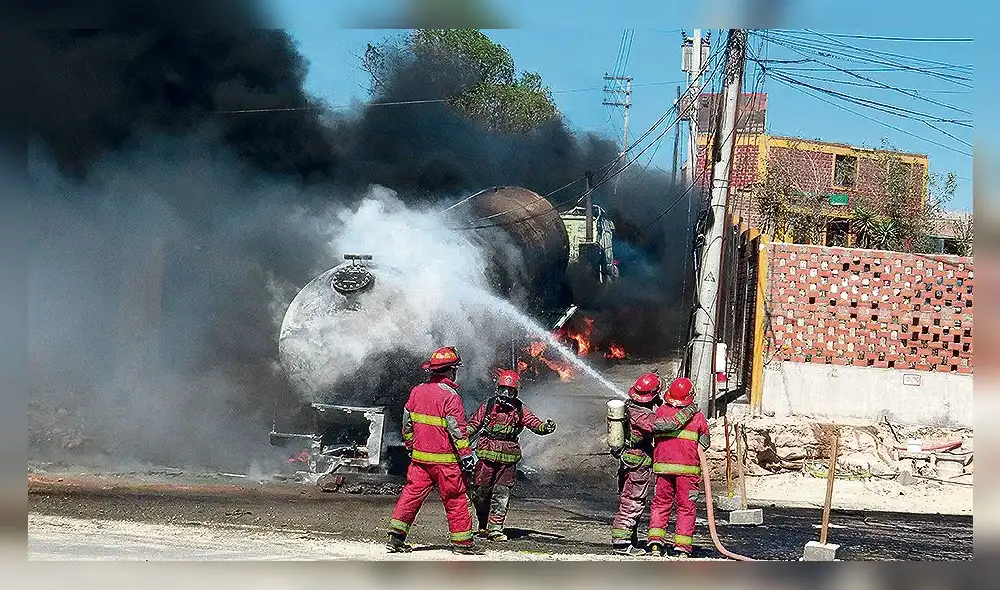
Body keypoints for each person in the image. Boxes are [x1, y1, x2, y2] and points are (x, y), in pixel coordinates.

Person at [387, 346, 484, 555]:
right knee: (456, 499)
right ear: (450, 370)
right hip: (446, 463)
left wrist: (412, 448)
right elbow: (457, 431)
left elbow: (407, 426)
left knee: (411, 495)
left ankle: (396, 538)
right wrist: (467, 456)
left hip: (420, 461)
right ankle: (463, 544)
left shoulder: (417, 391)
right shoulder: (451, 397)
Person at [610, 371, 700, 556]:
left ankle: (630, 539)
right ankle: (621, 544)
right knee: (632, 502)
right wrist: (689, 411)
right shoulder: (642, 415)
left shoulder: (633, 407)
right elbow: (665, 425)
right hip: (637, 463)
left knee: (638, 500)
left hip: (632, 461)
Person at [467, 369, 556, 542]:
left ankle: (495, 529)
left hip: (507, 458)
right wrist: (460, 436)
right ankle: (483, 523)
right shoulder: (488, 406)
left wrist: (545, 427)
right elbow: (473, 425)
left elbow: (534, 423)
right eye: (502, 390)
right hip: (486, 456)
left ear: (516, 392)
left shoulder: (520, 409)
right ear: (497, 389)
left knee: (501, 493)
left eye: (510, 391)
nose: (506, 395)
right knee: (480, 492)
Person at [646, 377, 711, 559]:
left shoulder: (660, 413)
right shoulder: (696, 416)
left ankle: (656, 544)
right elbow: (704, 443)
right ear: (690, 396)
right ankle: (682, 548)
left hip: (663, 470)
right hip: (688, 473)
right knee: (686, 508)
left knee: (660, 504)